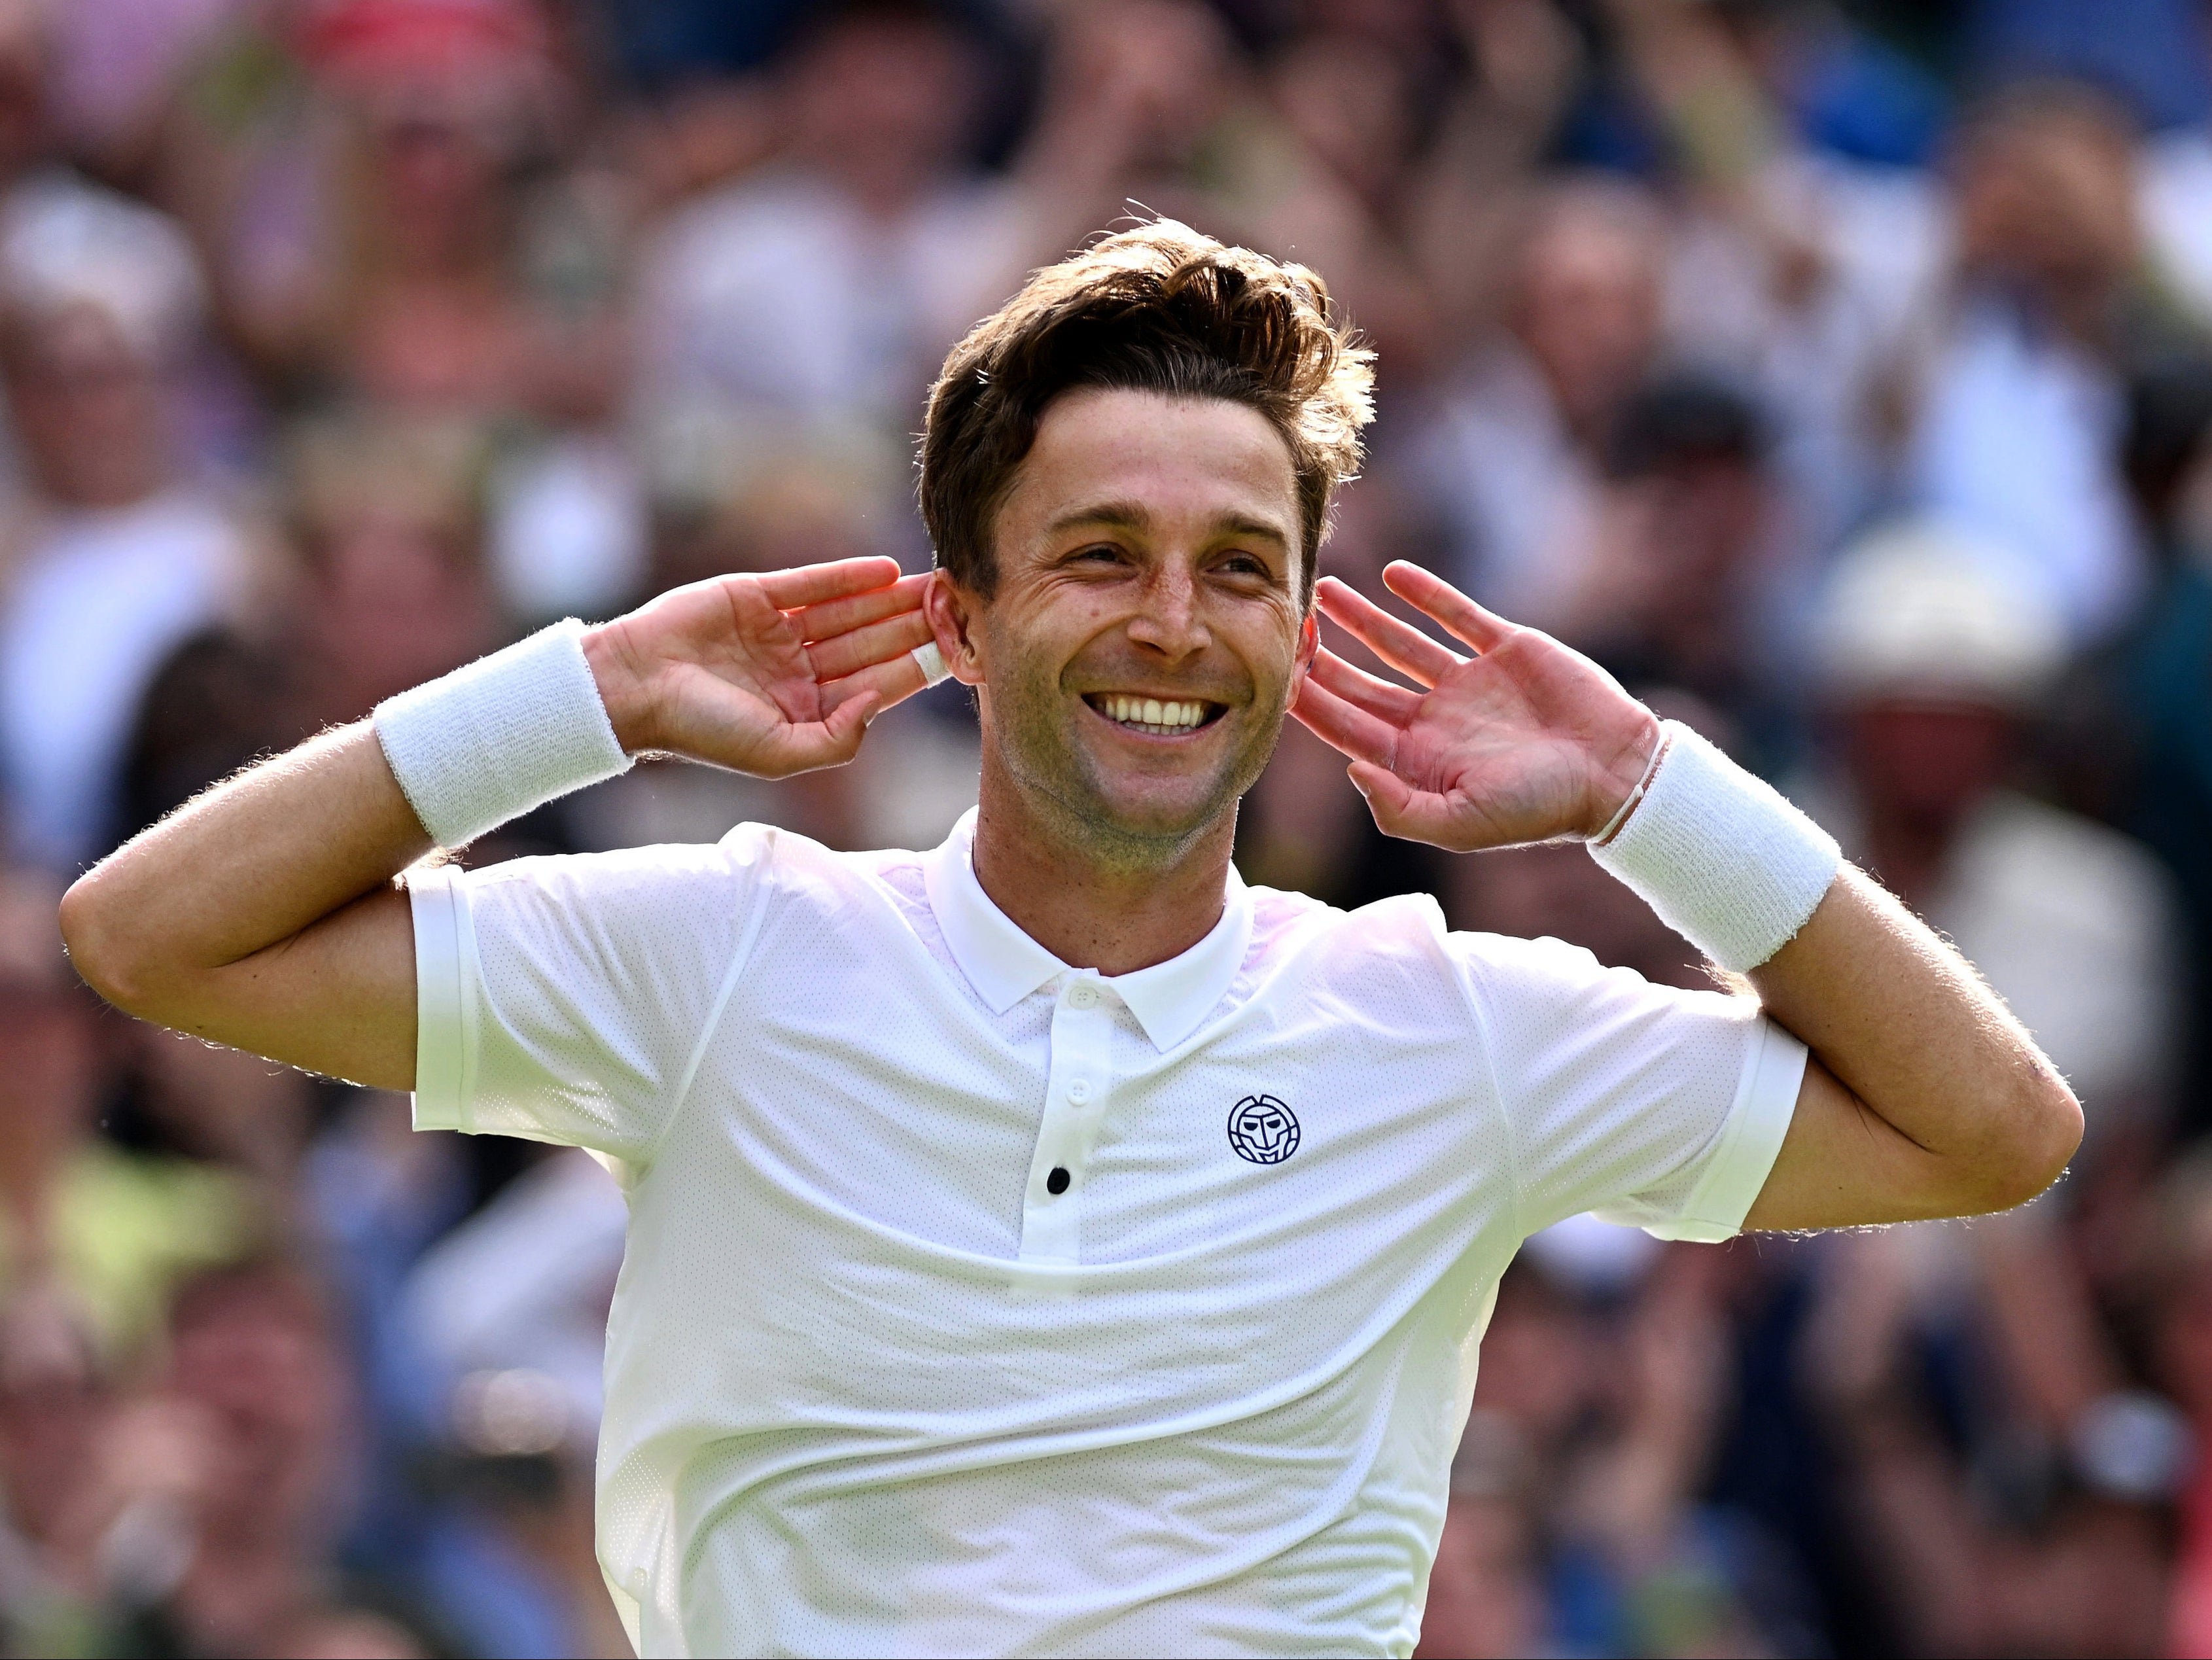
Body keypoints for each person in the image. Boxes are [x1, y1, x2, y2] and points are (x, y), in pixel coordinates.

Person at [60, 222, 2080, 1658]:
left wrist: (1653, 784)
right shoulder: (724, 952)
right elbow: (151, 935)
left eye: (1239, 570)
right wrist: (589, 688)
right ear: (959, 613)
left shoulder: (1442, 1021)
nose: (1173, 625)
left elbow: (1994, 1126)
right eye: (1099, 553)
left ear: (1301, 627)